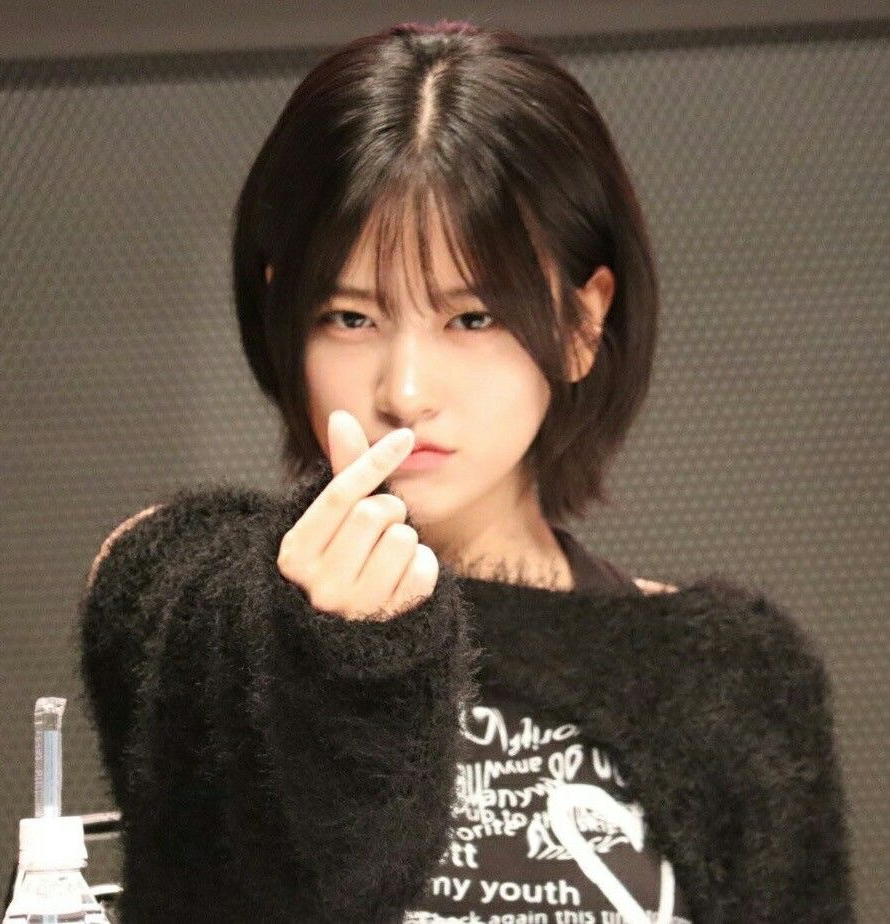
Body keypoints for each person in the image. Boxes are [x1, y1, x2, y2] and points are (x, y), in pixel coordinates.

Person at [78, 19, 853, 923]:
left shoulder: (723, 675)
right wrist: (339, 652)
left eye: (472, 318)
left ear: (580, 324)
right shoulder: (194, 597)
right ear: (283, 316)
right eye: (351, 317)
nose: (405, 391)